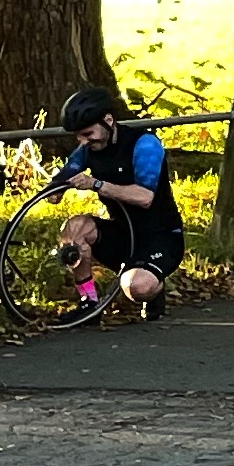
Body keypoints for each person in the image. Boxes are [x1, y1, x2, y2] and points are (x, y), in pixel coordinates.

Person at [52, 83, 186, 320]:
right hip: (122, 232)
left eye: (88, 134)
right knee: (74, 228)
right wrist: (55, 189)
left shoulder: (144, 145)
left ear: (108, 120)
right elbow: (65, 174)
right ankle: (89, 303)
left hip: (161, 237)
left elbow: (145, 198)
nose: (83, 141)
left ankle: (154, 287)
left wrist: (97, 184)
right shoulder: (88, 149)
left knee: (136, 287)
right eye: (78, 136)